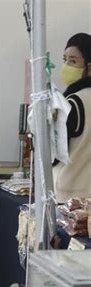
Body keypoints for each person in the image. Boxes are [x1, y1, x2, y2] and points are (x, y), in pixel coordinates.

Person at [53, 33, 91, 202]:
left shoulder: (72, 101)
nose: (66, 66)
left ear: (88, 67)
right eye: (65, 59)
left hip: (67, 192)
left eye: (73, 61)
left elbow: (56, 152)